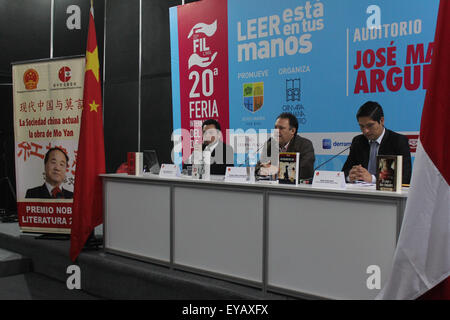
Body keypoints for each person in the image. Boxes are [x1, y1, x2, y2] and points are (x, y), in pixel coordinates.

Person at [342, 101, 412, 184]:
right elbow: (344, 172)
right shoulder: (358, 141)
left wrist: (372, 179)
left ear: (381, 121)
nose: (365, 131)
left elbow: (404, 177)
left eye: (370, 125)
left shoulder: (398, 141)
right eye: (362, 126)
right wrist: (350, 176)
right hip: (360, 193)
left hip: (387, 195)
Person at [256, 112, 315, 180]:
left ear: (292, 131)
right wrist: (262, 170)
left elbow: (305, 171)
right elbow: (257, 168)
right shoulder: (270, 144)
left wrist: (278, 170)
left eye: (281, 128)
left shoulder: (304, 145)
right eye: (275, 127)